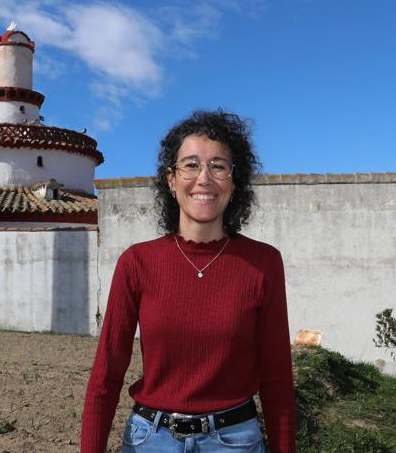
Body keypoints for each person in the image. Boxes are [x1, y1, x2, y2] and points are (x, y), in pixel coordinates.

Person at [80, 110, 295, 452]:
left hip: (235, 441)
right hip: (150, 441)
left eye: (219, 166)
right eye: (191, 165)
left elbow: (277, 380)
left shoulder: (264, 263)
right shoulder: (136, 262)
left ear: (234, 180)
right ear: (171, 179)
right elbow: (106, 375)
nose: (204, 179)